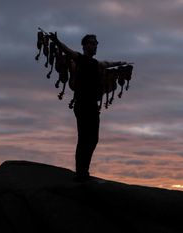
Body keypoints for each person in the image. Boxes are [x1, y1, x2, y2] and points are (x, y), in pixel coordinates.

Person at [49, 33, 127, 181]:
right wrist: (57, 41)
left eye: (96, 43)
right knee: (84, 138)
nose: (95, 45)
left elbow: (106, 64)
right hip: (82, 105)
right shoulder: (81, 60)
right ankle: (81, 173)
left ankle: (83, 171)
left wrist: (120, 62)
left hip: (92, 106)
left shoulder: (94, 63)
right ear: (84, 46)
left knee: (93, 139)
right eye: (92, 43)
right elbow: (68, 51)